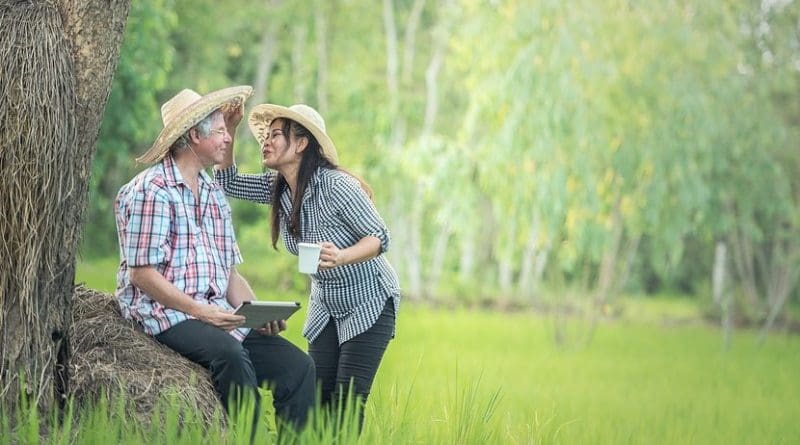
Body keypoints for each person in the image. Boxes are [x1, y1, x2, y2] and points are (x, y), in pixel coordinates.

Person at [114, 87, 315, 431]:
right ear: (194, 135)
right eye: (221, 131)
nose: (227, 139)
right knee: (230, 356)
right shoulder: (153, 191)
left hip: (213, 313)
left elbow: (229, 274)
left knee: (298, 368)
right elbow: (142, 275)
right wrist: (201, 311)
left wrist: (257, 311)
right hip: (166, 314)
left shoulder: (211, 193)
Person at [214, 103, 400, 431]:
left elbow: (379, 237)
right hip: (326, 304)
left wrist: (342, 256)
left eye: (275, 135)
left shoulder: (335, 185)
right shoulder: (280, 189)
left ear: (301, 144)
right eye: (265, 136)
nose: (265, 143)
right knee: (314, 398)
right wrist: (230, 129)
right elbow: (228, 183)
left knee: (345, 404)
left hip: (368, 301)